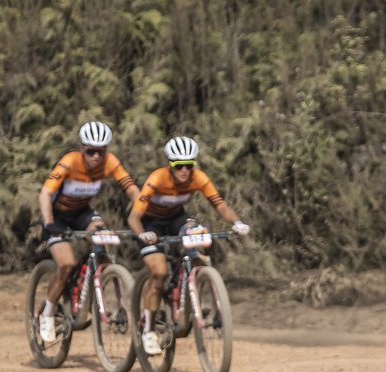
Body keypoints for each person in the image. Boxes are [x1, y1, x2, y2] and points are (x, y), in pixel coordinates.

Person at [128, 136, 249, 357]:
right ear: (169, 165)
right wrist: (142, 234)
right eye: (179, 166)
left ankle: (194, 284)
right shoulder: (157, 179)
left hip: (177, 219)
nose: (185, 170)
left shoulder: (198, 177)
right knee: (159, 272)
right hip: (150, 223)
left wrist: (237, 222)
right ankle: (148, 330)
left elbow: (219, 204)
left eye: (189, 165)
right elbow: (134, 216)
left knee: (198, 237)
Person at [37, 121, 140, 344]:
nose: (95, 156)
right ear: (82, 148)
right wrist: (49, 222)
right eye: (90, 151)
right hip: (57, 216)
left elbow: (131, 188)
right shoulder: (69, 162)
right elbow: (45, 194)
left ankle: (87, 290)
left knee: (102, 235)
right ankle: (47, 314)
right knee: (66, 263)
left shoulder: (110, 163)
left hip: (82, 213)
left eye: (100, 152)